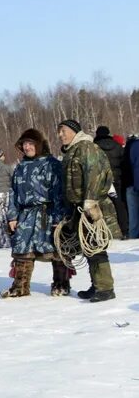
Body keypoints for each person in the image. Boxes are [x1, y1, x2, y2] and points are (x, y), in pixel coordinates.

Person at [57, 120, 121, 302]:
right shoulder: (72, 150)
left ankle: (105, 288)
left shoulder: (85, 147)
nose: (61, 135)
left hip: (91, 206)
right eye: (59, 132)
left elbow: (94, 174)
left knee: (96, 246)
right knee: (88, 247)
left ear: (74, 131)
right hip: (79, 208)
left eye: (64, 131)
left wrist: (90, 202)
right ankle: (97, 285)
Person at [3, 129, 68, 297]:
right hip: (25, 214)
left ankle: (61, 284)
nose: (27, 147)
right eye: (24, 144)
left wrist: (59, 217)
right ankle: (20, 287)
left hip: (49, 212)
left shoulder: (52, 164)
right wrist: (12, 216)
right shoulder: (20, 167)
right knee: (22, 250)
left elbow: (60, 192)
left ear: (39, 145)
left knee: (56, 250)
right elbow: (13, 193)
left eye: (31, 144)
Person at [93, 125, 129, 235]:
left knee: (103, 206)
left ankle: (105, 231)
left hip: (103, 181)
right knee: (119, 204)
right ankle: (124, 229)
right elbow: (124, 163)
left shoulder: (95, 147)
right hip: (117, 179)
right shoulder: (118, 146)